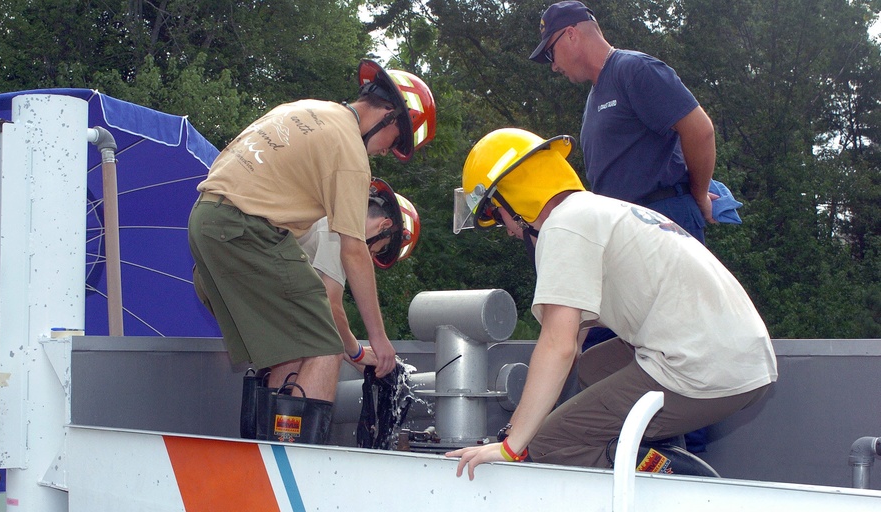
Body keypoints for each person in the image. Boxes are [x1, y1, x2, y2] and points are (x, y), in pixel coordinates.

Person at [448, 128, 777, 479]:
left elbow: (556, 346)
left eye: (498, 216)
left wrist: (512, 446)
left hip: (702, 366)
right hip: (738, 354)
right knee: (595, 367)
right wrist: (520, 423)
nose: (509, 231)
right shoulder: (596, 211)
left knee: (550, 446)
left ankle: (677, 478)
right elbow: (572, 349)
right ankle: (657, 449)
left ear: (515, 197)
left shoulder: (564, 228)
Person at [189, 60, 436, 442]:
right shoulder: (350, 151)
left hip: (208, 223)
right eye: (396, 142)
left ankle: (266, 456)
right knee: (326, 343)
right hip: (245, 230)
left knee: (289, 352)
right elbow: (354, 253)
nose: (387, 152)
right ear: (390, 116)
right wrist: (379, 340)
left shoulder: (306, 110)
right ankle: (299, 472)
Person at [529, 1, 716, 245]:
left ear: (571, 35)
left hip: (662, 222)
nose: (553, 66)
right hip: (626, 228)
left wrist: (699, 194)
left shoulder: (634, 69)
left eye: (550, 53)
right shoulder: (595, 96)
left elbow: (701, 131)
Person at [297, 178, 421, 370]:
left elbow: (322, 317)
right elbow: (332, 307)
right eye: (381, 249)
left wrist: (357, 359)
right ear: (384, 226)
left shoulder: (332, 215)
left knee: (296, 353)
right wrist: (357, 352)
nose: (371, 256)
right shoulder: (337, 234)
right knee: (320, 352)